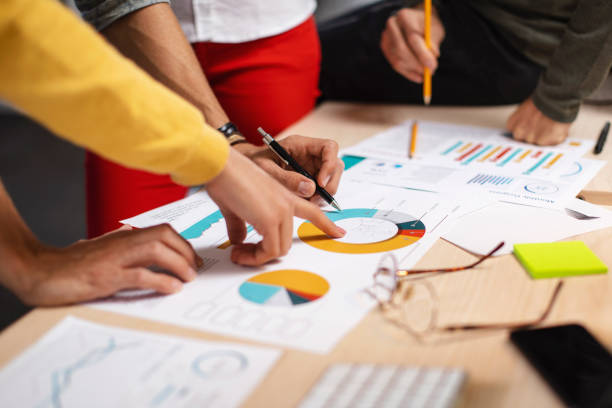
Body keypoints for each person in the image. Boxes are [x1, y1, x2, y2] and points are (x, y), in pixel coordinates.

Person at [0, 0, 345, 306]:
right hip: (126, 51)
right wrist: (26, 263)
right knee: (130, 277)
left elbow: (17, 25)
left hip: (269, 28)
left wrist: (223, 151)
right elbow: (16, 28)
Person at [74, 0, 341, 238]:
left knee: (290, 225)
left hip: (270, 34)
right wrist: (228, 142)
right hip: (133, 46)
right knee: (123, 252)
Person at [318, 0, 612, 146]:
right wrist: (424, 7)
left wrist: (558, 98)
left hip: (515, 41)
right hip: (475, 22)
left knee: (313, 58)